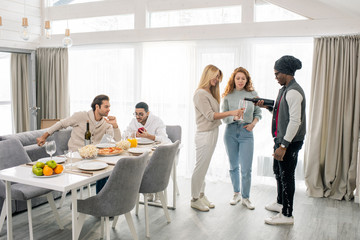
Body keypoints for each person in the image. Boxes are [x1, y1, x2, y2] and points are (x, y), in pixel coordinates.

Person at [256, 56, 306, 225]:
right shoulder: (284, 89)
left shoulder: (293, 92)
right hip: (281, 139)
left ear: (285, 72)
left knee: (287, 176)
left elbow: (295, 122)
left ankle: (287, 215)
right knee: (278, 173)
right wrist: (268, 107)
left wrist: (284, 146)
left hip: (289, 142)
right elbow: (282, 115)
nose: (275, 77)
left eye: (277, 73)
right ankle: (280, 203)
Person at [191, 64, 244, 212]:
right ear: (208, 75)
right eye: (215, 76)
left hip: (212, 132)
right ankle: (194, 199)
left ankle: (201, 195)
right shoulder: (200, 94)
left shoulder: (209, 92)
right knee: (200, 168)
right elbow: (210, 116)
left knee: (205, 167)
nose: (217, 79)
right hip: (204, 135)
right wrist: (231, 112)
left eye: (219, 76)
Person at [221, 67, 262, 209]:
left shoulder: (253, 94)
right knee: (233, 166)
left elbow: (258, 113)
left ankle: (246, 197)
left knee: (246, 168)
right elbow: (223, 117)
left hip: (246, 132)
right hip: (230, 132)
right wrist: (234, 117)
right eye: (238, 78)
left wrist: (253, 124)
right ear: (234, 79)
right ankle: (236, 194)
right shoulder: (227, 95)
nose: (240, 81)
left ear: (247, 80)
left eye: (243, 78)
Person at [37, 94, 121, 151]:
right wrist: (44, 136)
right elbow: (61, 124)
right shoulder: (81, 116)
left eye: (109, 107)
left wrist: (115, 126)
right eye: (106, 107)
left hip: (95, 156)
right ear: (97, 106)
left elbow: (117, 140)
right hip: (76, 154)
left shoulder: (107, 123)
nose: (109, 109)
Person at [124, 101, 171, 203]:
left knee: (155, 161)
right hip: (140, 149)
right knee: (138, 162)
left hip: (155, 148)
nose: (138, 117)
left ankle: (157, 191)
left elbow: (164, 139)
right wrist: (134, 134)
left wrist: (148, 136)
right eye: (136, 114)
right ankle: (147, 190)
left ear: (147, 113)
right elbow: (124, 135)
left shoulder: (157, 121)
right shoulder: (134, 121)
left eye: (141, 114)